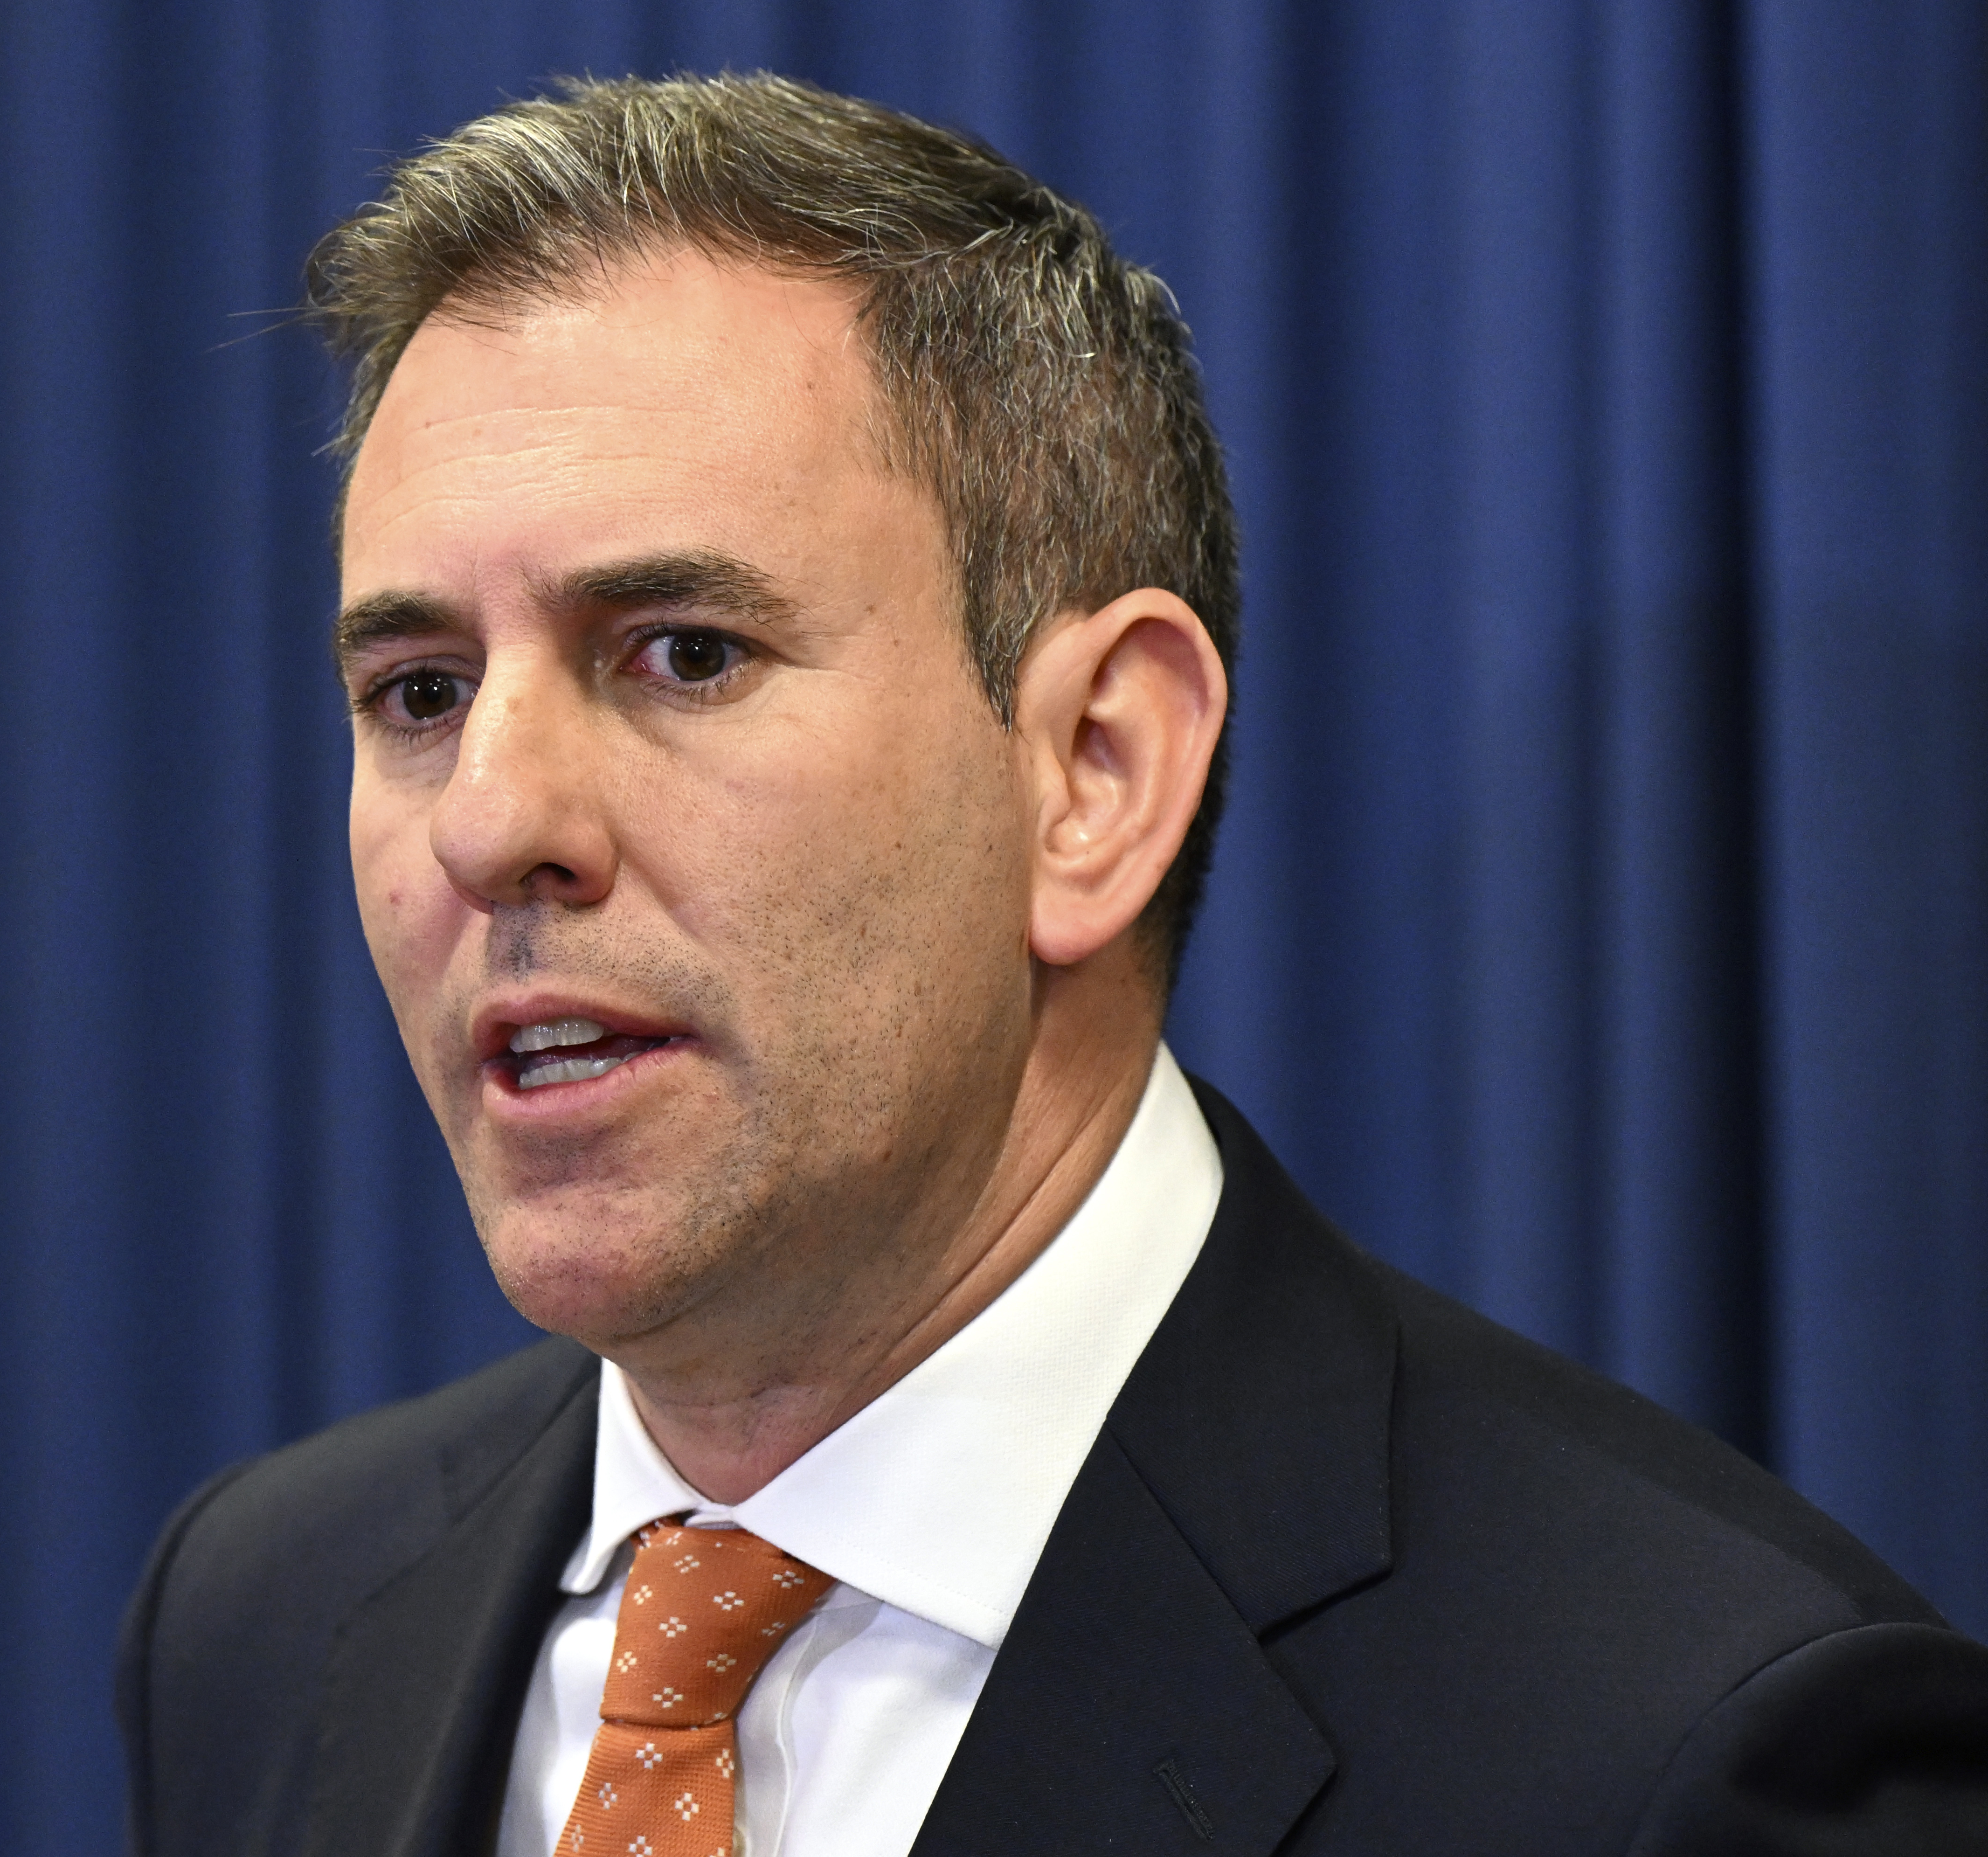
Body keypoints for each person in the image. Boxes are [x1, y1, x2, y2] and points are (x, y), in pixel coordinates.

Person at [117, 73, 1988, 1856]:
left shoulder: (1674, 1753)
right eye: (420, 693)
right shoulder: (269, 1621)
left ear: (1097, 771)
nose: (489, 821)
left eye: (680, 652)